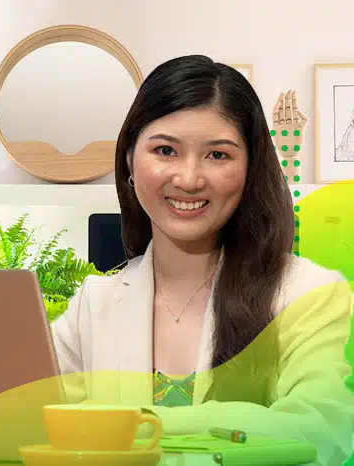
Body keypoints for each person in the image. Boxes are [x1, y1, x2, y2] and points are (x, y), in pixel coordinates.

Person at [50, 55, 354, 464]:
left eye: (218, 155)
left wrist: (135, 423)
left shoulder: (309, 294)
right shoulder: (93, 303)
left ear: (250, 168)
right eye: (165, 150)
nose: (189, 178)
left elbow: (320, 431)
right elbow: (36, 422)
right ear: (129, 161)